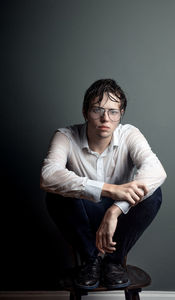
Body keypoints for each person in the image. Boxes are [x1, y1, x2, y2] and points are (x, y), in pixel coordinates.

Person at [40, 79, 167, 290]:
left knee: (154, 193)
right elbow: (49, 176)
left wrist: (115, 210)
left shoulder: (129, 134)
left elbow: (156, 170)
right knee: (54, 194)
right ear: (85, 112)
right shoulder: (65, 136)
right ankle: (91, 260)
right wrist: (110, 189)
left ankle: (113, 262)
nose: (105, 118)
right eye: (97, 110)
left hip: (121, 222)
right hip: (82, 217)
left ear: (121, 114)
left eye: (113, 111)